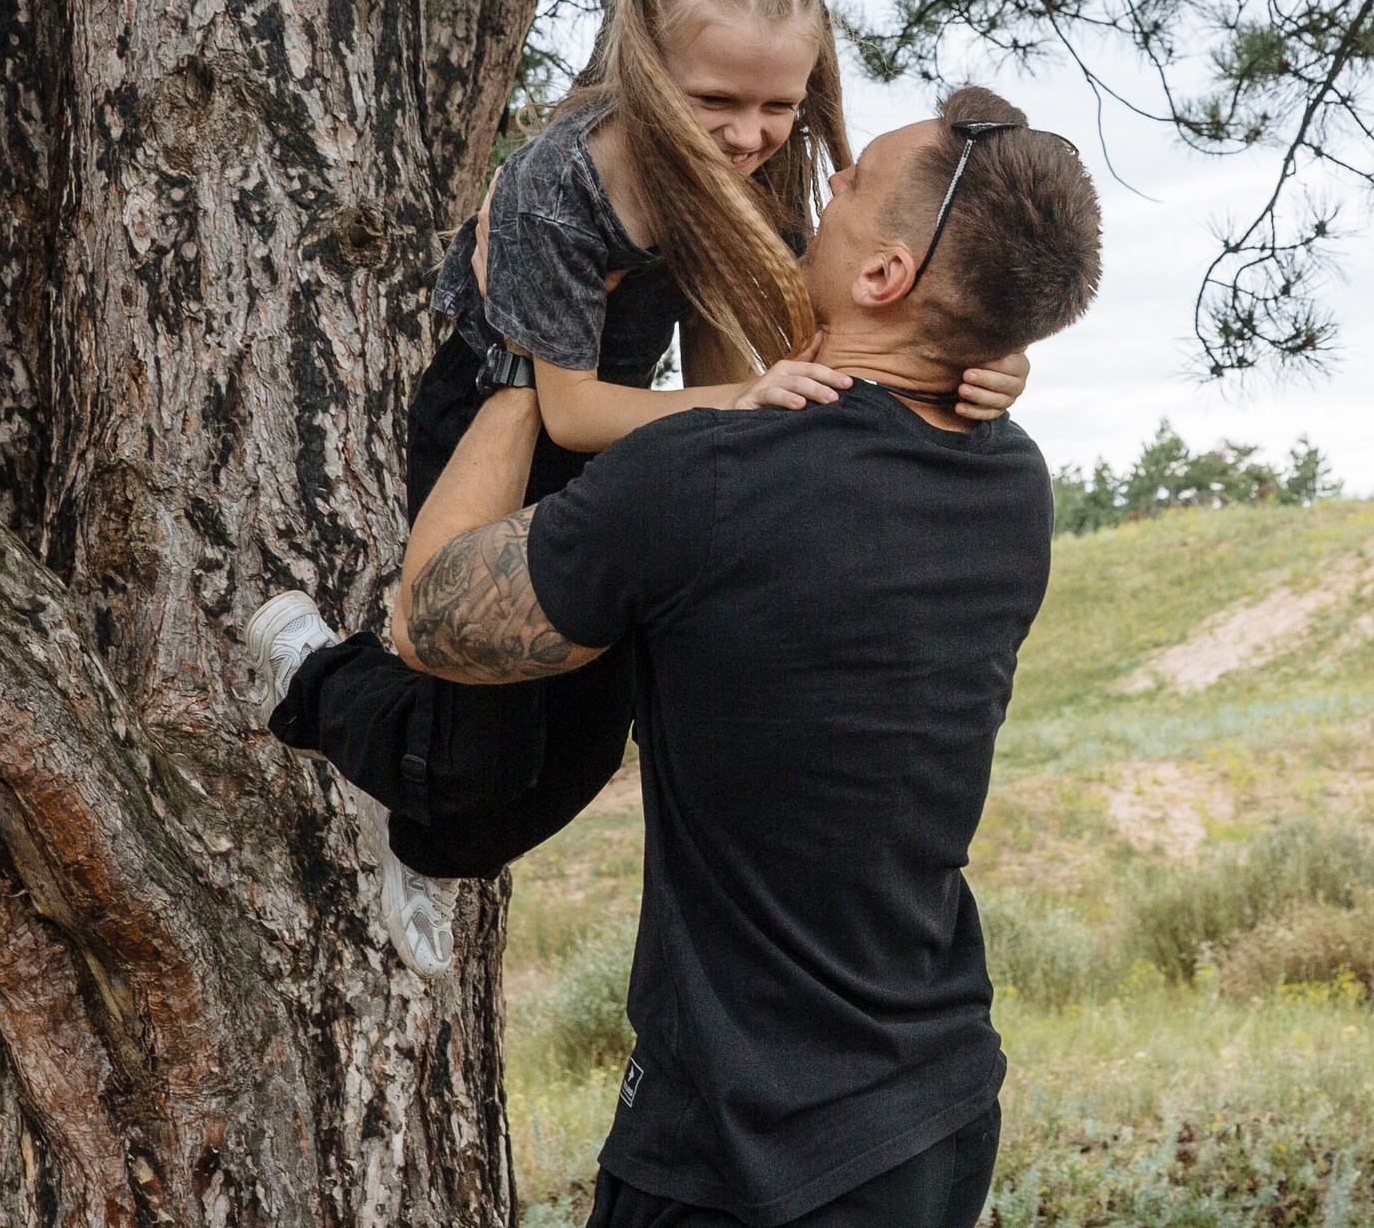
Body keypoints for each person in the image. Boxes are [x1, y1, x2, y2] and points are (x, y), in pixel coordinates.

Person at [247, 0, 1027, 975]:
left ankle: (421, 820)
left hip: (641, 430)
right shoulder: (559, 186)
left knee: (575, 762)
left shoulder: (758, 165)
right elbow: (565, 410)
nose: (749, 135)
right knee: (476, 769)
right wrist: (736, 407)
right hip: (503, 424)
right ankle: (312, 674)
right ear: (649, 66)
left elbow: (826, 312)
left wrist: (986, 361)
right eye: (717, 99)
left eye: (777, 106)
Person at [386, 88, 1103, 1227]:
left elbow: (430, 618)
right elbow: (874, 392)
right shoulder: (1009, 482)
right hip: (932, 1112)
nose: (821, 190)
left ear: (884, 278)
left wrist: (531, 358)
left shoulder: (709, 481)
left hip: (746, 1153)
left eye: (852, 182)